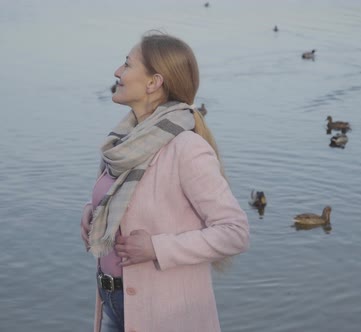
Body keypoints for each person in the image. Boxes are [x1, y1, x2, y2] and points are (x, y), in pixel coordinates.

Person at [80, 32, 250, 332]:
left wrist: (157, 248)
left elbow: (235, 232)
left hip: (165, 315)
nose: (117, 72)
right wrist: (94, 214)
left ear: (153, 82)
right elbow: (127, 204)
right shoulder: (122, 143)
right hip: (112, 302)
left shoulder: (186, 147)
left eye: (127, 64)